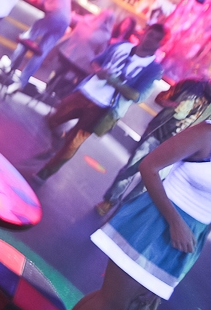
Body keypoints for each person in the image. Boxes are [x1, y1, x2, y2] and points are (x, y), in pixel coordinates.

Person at [74, 120, 211, 309]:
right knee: (114, 303)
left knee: (122, 302)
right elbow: (149, 166)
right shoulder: (206, 133)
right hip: (155, 224)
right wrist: (175, 223)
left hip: (190, 239)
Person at [35, 24, 166, 181]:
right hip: (85, 92)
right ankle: (58, 143)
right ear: (144, 33)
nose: (151, 40)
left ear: (161, 44)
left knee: (74, 141)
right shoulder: (122, 46)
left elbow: (138, 96)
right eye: (150, 35)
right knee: (52, 119)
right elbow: (96, 61)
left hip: (104, 107)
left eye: (157, 39)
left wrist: (114, 82)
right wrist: (98, 71)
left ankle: (45, 173)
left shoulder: (153, 69)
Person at [95, 77, 211, 216]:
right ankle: (109, 201)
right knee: (131, 169)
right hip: (156, 135)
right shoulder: (191, 84)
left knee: (147, 184)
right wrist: (174, 105)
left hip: (177, 150)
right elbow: (160, 98)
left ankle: (123, 212)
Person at [5, 0, 71, 95]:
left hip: (53, 16)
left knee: (27, 37)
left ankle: (10, 67)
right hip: (65, 22)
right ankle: (21, 83)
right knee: (41, 52)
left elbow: (39, 0)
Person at [42, 9, 114, 100]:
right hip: (82, 64)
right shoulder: (105, 35)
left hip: (66, 53)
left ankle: (48, 89)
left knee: (60, 71)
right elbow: (100, 53)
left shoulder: (85, 20)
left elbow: (72, 18)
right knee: (79, 78)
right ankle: (61, 97)